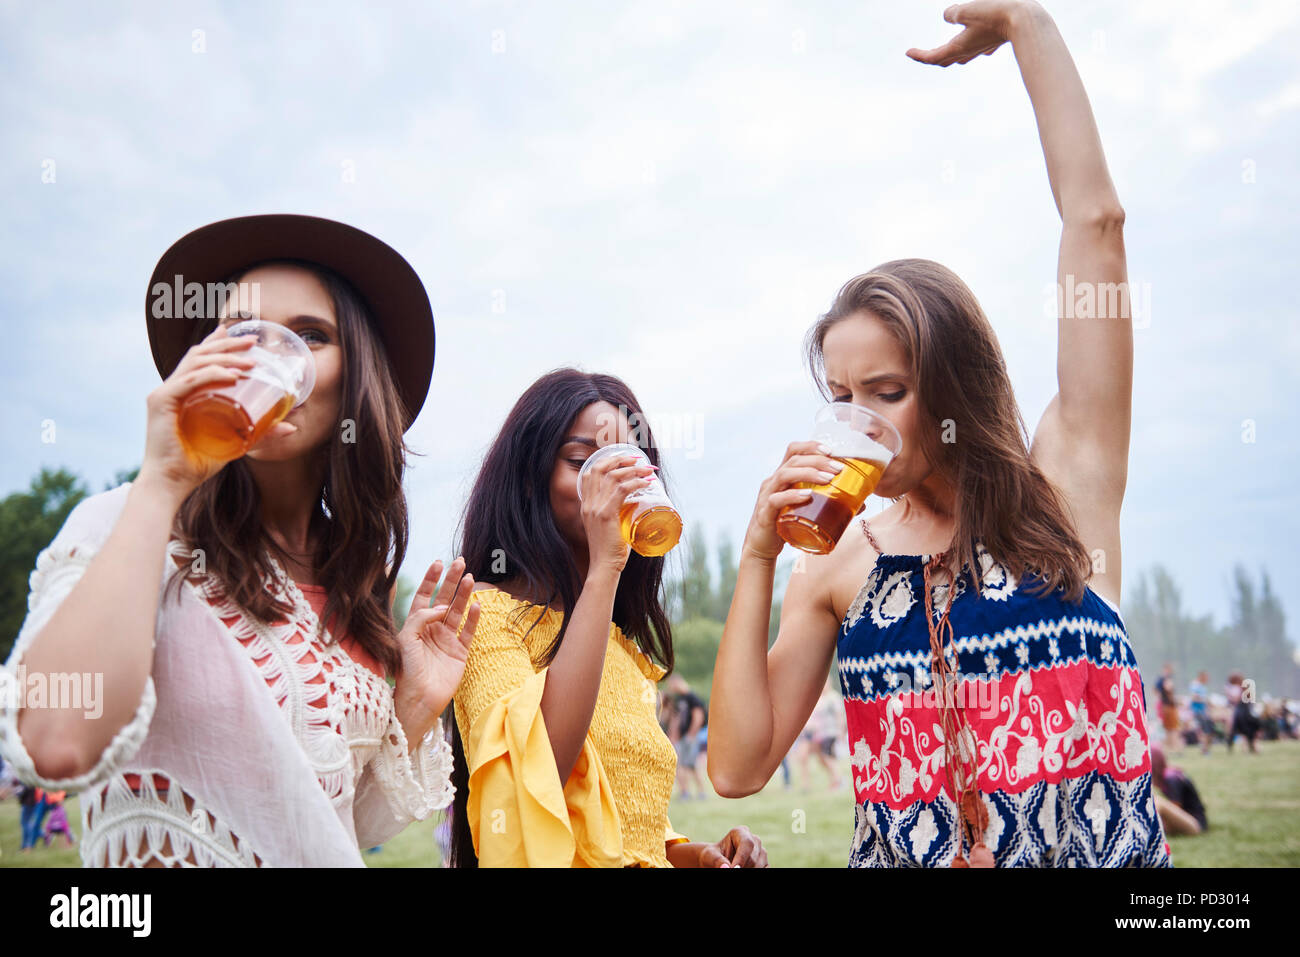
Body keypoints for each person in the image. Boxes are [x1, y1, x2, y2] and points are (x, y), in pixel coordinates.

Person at [708, 2, 1170, 867]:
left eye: (888, 390)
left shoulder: (1066, 485)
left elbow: (1096, 223)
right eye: (840, 393)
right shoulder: (836, 564)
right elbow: (735, 767)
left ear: (955, 383)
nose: (859, 419)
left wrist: (1026, 26)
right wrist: (759, 556)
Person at [0, 215, 477, 866]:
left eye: (311, 335)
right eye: (242, 331)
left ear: (356, 380)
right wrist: (161, 481)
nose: (269, 356)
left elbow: (333, 822)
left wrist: (416, 701)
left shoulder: (358, 587)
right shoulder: (130, 521)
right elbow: (57, 743)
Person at [447, 369, 767, 867]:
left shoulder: (617, 646)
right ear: (529, 481)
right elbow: (540, 776)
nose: (614, 483)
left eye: (632, 466)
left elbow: (631, 838)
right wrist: (605, 567)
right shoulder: (485, 616)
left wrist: (698, 855)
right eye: (583, 462)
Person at [1150, 744, 1207, 836]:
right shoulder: (1168, 776)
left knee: (1159, 802)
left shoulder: (1171, 778)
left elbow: (1176, 808)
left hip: (1195, 825)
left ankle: (1146, 831)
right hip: (1189, 820)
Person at [667, 674, 709, 800]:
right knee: (687, 765)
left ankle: (694, 793)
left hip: (690, 737)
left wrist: (691, 735)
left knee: (688, 765)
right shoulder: (679, 699)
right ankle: (688, 792)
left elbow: (698, 716)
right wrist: (673, 735)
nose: (671, 688)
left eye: (671, 685)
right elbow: (676, 719)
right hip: (682, 737)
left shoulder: (692, 697)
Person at [1225, 672, 1259, 754]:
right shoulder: (1242, 687)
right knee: (1247, 731)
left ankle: (1233, 748)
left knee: (1237, 731)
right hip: (1243, 711)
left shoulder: (1238, 687)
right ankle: (1251, 748)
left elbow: (1234, 700)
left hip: (1241, 711)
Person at [1154, 663, 1181, 750]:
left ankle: (1172, 746)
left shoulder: (1168, 679)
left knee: (1172, 727)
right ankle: (1169, 746)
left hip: (1170, 706)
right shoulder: (1162, 679)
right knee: (1168, 728)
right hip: (1166, 706)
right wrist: (1160, 701)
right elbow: (1157, 691)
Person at [1188, 670, 1213, 753]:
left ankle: (1206, 748)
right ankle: (1204, 749)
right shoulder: (1195, 685)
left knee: (1209, 729)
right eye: (1206, 678)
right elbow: (1193, 697)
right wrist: (1203, 699)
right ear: (1201, 677)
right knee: (1205, 730)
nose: (1207, 680)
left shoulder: (1203, 686)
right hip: (1197, 711)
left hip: (1203, 711)